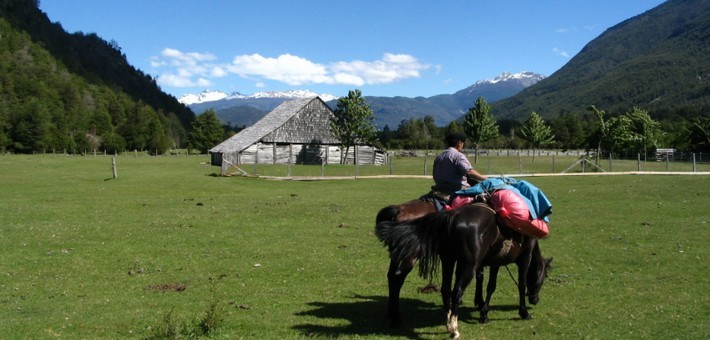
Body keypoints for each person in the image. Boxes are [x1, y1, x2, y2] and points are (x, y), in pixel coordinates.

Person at [431, 133, 487, 199]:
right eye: (463, 143)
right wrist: (485, 179)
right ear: (459, 144)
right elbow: (469, 172)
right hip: (457, 189)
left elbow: (435, 176)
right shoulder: (458, 156)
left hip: (439, 188)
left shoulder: (438, 157)